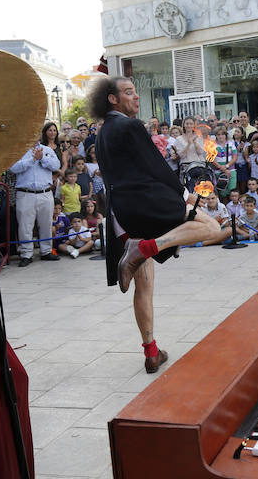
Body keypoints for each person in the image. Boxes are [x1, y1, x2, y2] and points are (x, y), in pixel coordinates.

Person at [90, 76, 222, 373]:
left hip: (121, 214)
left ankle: (151, 352)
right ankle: (147, 246)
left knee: (144, 284)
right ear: (112, 99)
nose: (135, 97)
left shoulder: (103, 132)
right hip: (146, 203)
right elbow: (156, 166)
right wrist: (184, 195)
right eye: (128, 92)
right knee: (212, 228)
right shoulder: (130, 125)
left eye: (136, 91)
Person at [10, 141, 62, 267]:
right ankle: (26, 254)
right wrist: (33, 159)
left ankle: (46, 251)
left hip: (45, 192)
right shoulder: (19, 149)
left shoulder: (47, 150)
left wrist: (42, 157)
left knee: (46, 223)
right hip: (25, 193)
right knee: (25, 225)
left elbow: (56, 165)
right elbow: (14, 168)